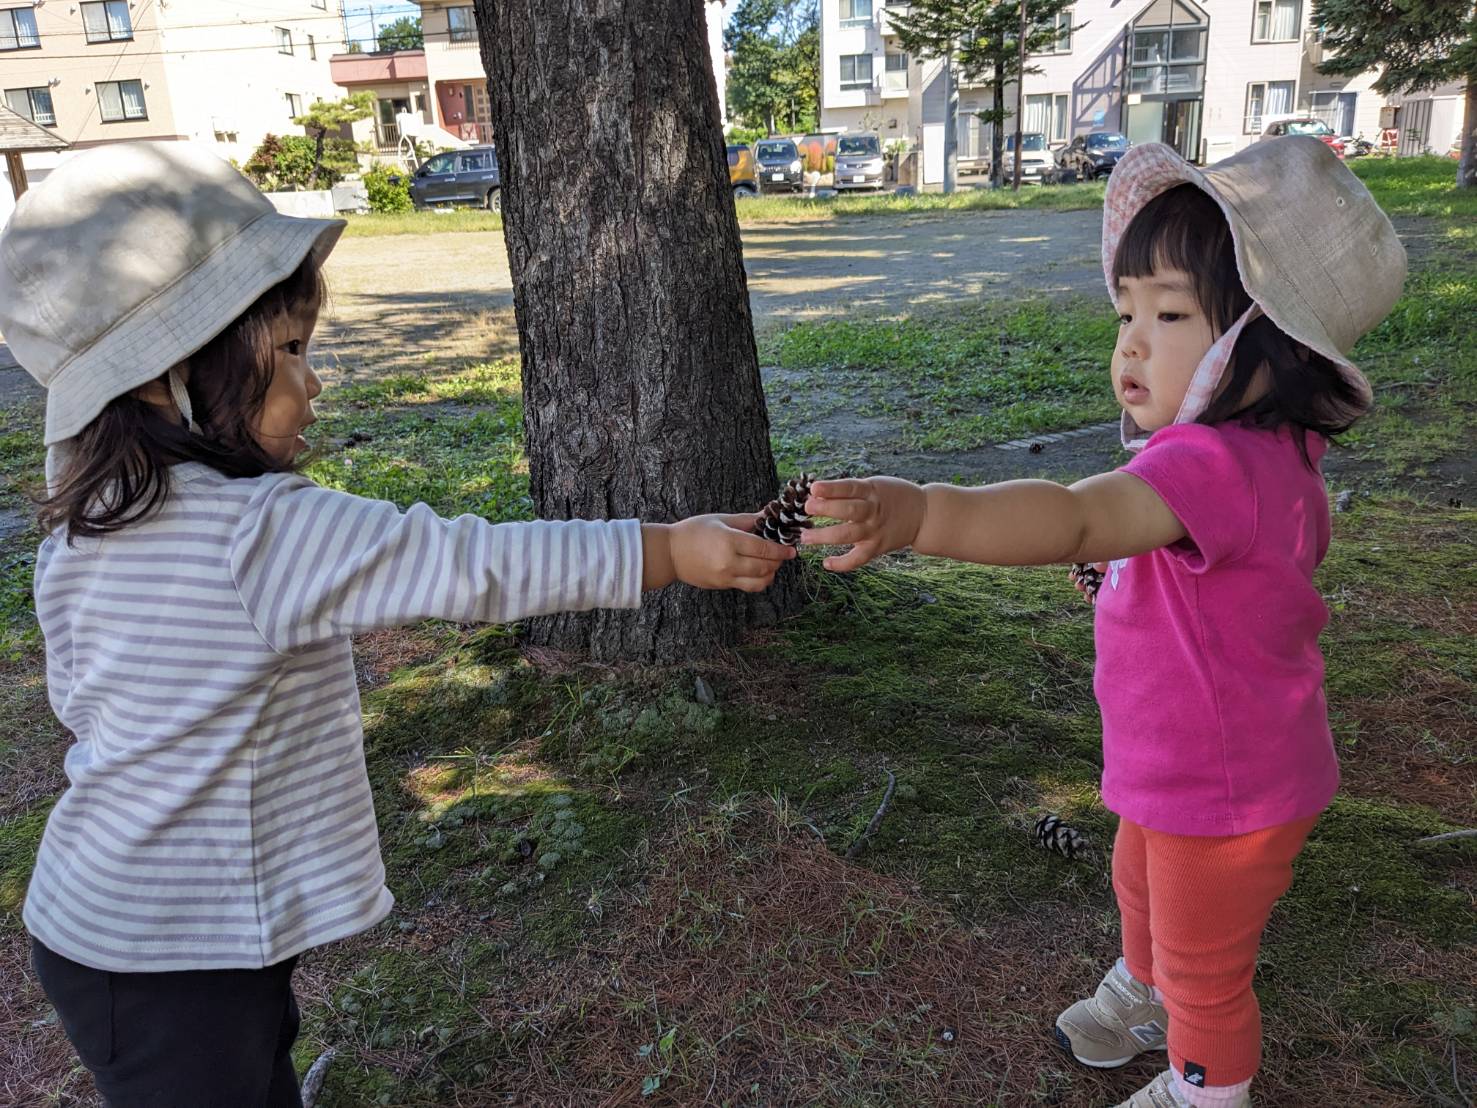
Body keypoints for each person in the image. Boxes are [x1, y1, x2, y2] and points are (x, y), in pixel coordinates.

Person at [0, 141, 793, 1107]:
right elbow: (471, 562)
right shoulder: (262, 529)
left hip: (112, 923)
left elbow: (80, 700)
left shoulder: (88, 526)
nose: (313, 384)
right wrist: (666, 549)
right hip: (175, 945)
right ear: (171, 375)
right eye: (289, 352)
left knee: (249, 1065)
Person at [799, 138, 1406, 1107]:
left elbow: (1078, 513)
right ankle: (1146, 985)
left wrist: (923, 512)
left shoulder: (1200, 465)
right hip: (1193, 768)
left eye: (1168, 314)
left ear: (1268, 345)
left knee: (1210, 963)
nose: (1129, 342)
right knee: (1139, 881)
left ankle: (1205, 1086)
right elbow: (1205, 578)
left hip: (1222, 788)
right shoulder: (1275, 456)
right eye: (1125, 312)